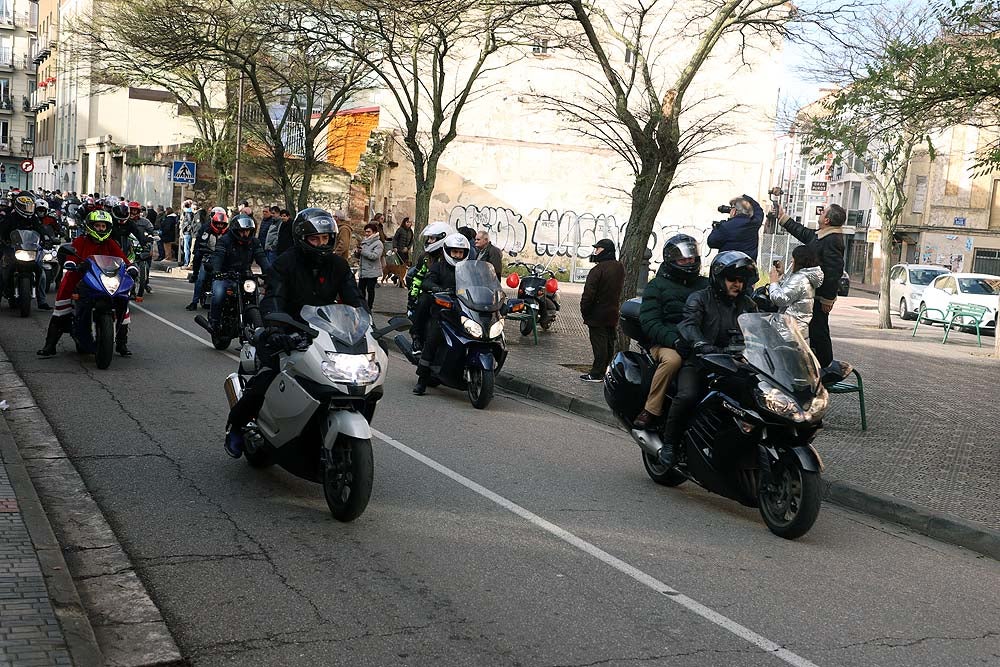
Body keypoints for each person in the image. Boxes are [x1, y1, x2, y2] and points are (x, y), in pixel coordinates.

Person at [224, 208, 362, 458]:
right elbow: (274, 297)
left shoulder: (339, 266)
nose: (321, 244)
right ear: (302, 238)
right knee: (266, 378)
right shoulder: (286, 262)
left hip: (324, 333)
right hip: (287, 331)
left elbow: (355, 301)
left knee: (353, 382)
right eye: (315, 239)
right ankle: (236, 427)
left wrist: (366, 327)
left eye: (326, 238)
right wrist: (276, 329)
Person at [658, 251, 758, 468]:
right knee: (687, 395)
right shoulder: (700, 298)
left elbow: (760, 329)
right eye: (733, 279)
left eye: (741, 281)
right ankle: (669, 444)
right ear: (719, 278)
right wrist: (699, 343)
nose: (737, 285)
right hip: (701, 362)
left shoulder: (748, 304)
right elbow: (688, 324)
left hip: (736, 365)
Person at [36, 210, 138, 357]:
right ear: (90, 226)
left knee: (124, 307)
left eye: (104, 226)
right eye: (98, 225)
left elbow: (123, 259)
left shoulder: (111, 243)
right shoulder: (80, 241)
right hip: (79, 279)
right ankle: (49, 345)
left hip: (104, 281)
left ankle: (121, 344)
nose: (101, 229)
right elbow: (71, 255)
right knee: (61, 310)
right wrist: (71, 262)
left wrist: (131, 267)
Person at [633, 234, 708, 429]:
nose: (689, 262)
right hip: (665, 343)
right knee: (673, 360)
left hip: (698, 341)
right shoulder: (656, 286)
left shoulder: (705, 285)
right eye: (683, 258)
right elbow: (649, 322)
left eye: (691, 257)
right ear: (671, 259)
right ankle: (650, 409)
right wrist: (674, 340)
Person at [776, 203, 847, 366]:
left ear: (827, 220)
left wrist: (828, 299)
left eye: (823, 212)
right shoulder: (823, 235)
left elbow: (834, 271)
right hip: (812, 293)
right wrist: (784, 219)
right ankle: (818, 364)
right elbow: (804, 233)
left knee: (819, 330)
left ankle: (826, 366)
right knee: (813, 330)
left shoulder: (832, 240)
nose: (820, 214)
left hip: (819, 295)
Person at [412, 233, 471, 396]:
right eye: (455, 252)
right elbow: (427, 281)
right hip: (443, 312)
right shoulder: (439, 267)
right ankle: (422, 381)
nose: (458, 255)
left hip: (464, 311)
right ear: (448, 251)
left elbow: (480, 283)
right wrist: (436, 288)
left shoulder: (469, 269)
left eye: (461, 252)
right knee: (433, 338)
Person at [207, 214, 269, 332]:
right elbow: (218, 257)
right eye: (242, 231)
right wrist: (216, 271)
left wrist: (270, 273)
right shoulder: (225, 240)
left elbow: (262, 258)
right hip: (225, 275)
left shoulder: (254, 242)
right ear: (236, 230)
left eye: (248, 231)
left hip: (245, 275)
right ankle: (214, 322)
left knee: (258, 297)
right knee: (219, 294)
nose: (245, 234)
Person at [580, 238, 625, 382]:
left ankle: (596, 373)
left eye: (598, 249)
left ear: (605, 251)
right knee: (608, 343)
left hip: (597, 313)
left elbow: (588, 294)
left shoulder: (597, 270)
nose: (595, 252)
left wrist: (585, 310)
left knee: (599, 345)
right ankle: (605, 370)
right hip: (612, 312)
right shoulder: (619, 267)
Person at [407, 221, 455, 351]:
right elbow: (418, 278)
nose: (429, 241)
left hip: (452, 295)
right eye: (429, 238)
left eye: (432, 238)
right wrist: (412, 296)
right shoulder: (425, 257)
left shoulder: (452, 255)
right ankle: (416, 338)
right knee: (423, 302)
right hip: (431, 293)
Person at [0, 195, 52, 311]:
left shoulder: (33, 218)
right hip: (13, 248)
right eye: (25, 207)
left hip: (30, 249)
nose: (28, 209)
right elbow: (2, 231)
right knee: (3, 270)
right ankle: (4, 291)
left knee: (42, 273)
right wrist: (3, 240)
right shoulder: (11, 218)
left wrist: (47, 238)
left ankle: (42, 301)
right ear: (19, 207)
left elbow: (40, 229)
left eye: (30, 207)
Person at [767, 244, 823, 340]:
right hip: (797, 329)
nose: (791, 261)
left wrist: (773, 283)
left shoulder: (799, 279)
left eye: (793, 258)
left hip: (789, 331)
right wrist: (781, 275)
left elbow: (780, 299)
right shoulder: (805, 277)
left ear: (800, 260)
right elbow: (791, 292)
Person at [185, 208, 229, 311]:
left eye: (222, 224)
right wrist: (200, 248)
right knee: (200, 278)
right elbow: (200, 241)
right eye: (218, 224)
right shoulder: (206, 229)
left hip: (223, 258)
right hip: (208, 257)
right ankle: (194, 302)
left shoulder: (229, 233)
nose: (220, 226)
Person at [707, 193, 764, 260]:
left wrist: (717, 228)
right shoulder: (755, 223)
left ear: (734, 211)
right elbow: (758, 210)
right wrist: (746, 197)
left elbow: (711, 242)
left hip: (729, 265)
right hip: (748, 266)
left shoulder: (725, 227)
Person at [357, 223, 384, 311]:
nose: (367, 234)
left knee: (370, 290)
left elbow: (375, 256)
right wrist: (357, 252)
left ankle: (369, 306)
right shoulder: (364, 241)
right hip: (363, 271)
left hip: (372, 271)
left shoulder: (378, 243)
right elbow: (361, 255)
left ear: (374, 232)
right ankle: (362, 306)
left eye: (369, 232)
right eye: (365, 232)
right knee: (360, 290)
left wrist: (363, 252)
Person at [180, 200, 197, 268]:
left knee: (186, 248)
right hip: (186, 232)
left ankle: (186, 262)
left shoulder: (188, 213)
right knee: (185, 248)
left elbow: (189, 222)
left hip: (187, 233)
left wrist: (186, 229)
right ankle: (185, 261)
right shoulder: (187, 212)